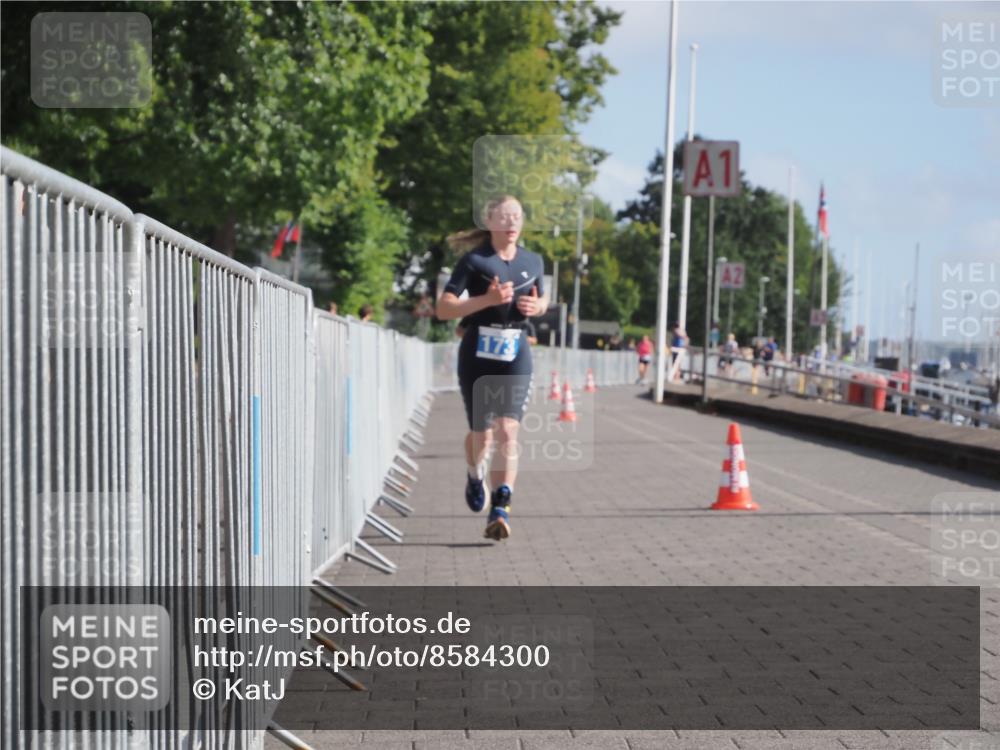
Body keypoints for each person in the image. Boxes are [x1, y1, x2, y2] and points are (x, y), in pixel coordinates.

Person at [435, 195, 548, 541]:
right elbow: (444, 308)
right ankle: (473, 472)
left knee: (507, 432)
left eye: (518, 216)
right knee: (482, 436)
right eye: (505, 216)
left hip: (516, 353)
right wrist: (487, 300)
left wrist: (537, 306)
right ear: (491, 222)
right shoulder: (475, 261)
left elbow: (543, 299)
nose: (512, 223)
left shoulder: (533, 261)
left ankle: (501, 507)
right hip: (477, 355)